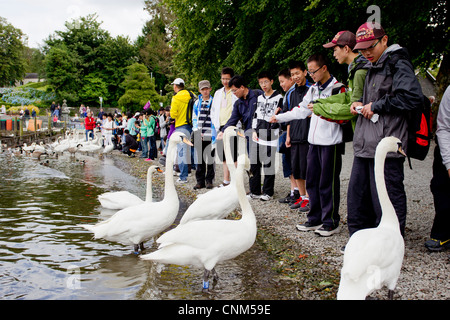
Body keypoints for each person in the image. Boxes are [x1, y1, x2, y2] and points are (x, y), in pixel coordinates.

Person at [347, 22, 424, 238]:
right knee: (358, 197)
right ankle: (360, 241)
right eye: (362, 49)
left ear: (384, 40)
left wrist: (377, 106)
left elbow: (411, 98)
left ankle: (391, 243)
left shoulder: (398, 62)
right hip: (365, 144)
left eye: (370, 47)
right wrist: (359, 105)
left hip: (386, 145)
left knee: (387, 197)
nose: (366, 52)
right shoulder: (369, 65)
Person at [271, 53, 347, 237]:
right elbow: (300, 111)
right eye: (310, 71)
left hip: (331, 142)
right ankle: (315, 218)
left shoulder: (338, 89)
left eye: (313, 71)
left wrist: (321, 109)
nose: (311, 75)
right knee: (311, 180)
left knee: (327, 183)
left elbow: (343, 115)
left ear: (324, 68)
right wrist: (279, 117)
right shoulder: (312, 89)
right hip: (313, 142)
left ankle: (330, 221)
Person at [249, 71, 283, 201]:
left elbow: (281, 116)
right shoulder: (259, 98)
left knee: (268, 164)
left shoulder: (279, 97)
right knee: (254, 163)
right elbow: (255, 115)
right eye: (261, 82)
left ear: (271, 81)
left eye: (266, 82)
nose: (263, 85)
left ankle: (268, 192)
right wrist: (253, 130)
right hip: (257, 133)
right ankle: (254, 191)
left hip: (271, 134)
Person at [283, 61, 311, 209]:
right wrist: (288, 136)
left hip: (308, 135)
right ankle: (302, 197)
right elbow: (288, 116)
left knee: (308, 168)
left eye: (297, 73)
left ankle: (310, 198)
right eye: (292, 74)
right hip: (294, 135)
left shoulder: (311, 89)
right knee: (297, 168)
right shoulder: (291, 93)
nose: (295, 77)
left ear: (305, 72)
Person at [426, 85, 450, 251]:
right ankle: (443, 233)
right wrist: (449, 163)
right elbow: (443, 128)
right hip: (447, 145)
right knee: (441, 187)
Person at [211, 67, 238, 187]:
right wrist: (216, 124)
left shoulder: (235, 92)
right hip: (220, 126)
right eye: (223, 79)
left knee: (233, 154)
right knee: (223, 155)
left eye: (227, 79)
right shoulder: (218, 93)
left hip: (232, 126)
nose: (225, 81)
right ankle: (226, 180)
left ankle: (235, 180)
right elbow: (213, 110)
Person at [276, 68, 299, 204]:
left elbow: (291, 116)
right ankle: (293, 191)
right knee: (288, 163)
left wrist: (289, 135)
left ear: (290, 80)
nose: (281, 84)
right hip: (287, 131)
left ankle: (297, 193)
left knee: (293, 163)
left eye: (282, 81)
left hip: (291, 132)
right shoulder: (288, 94)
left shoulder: (293, 93)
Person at [170, 78, 194, 183]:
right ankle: (192, 170)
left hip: (181, 126)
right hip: (192, 126)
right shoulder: (191, 94)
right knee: (191, 150)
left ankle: (183, 176)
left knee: (181, 151)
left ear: (175, 86)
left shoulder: (176, 98)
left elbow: (173, 114)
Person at [192, 80, 215, 190]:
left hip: (211, 133)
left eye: (207, 89)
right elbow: (194, 118)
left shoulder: (214, 102)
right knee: (200, 159)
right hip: (199, 133)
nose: (205, 91)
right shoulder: (197, 103)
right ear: (199, 90)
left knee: (210, 158)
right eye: (203, 89)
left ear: (210, 89)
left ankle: (209, 180)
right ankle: (200, 181)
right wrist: (197, 130)